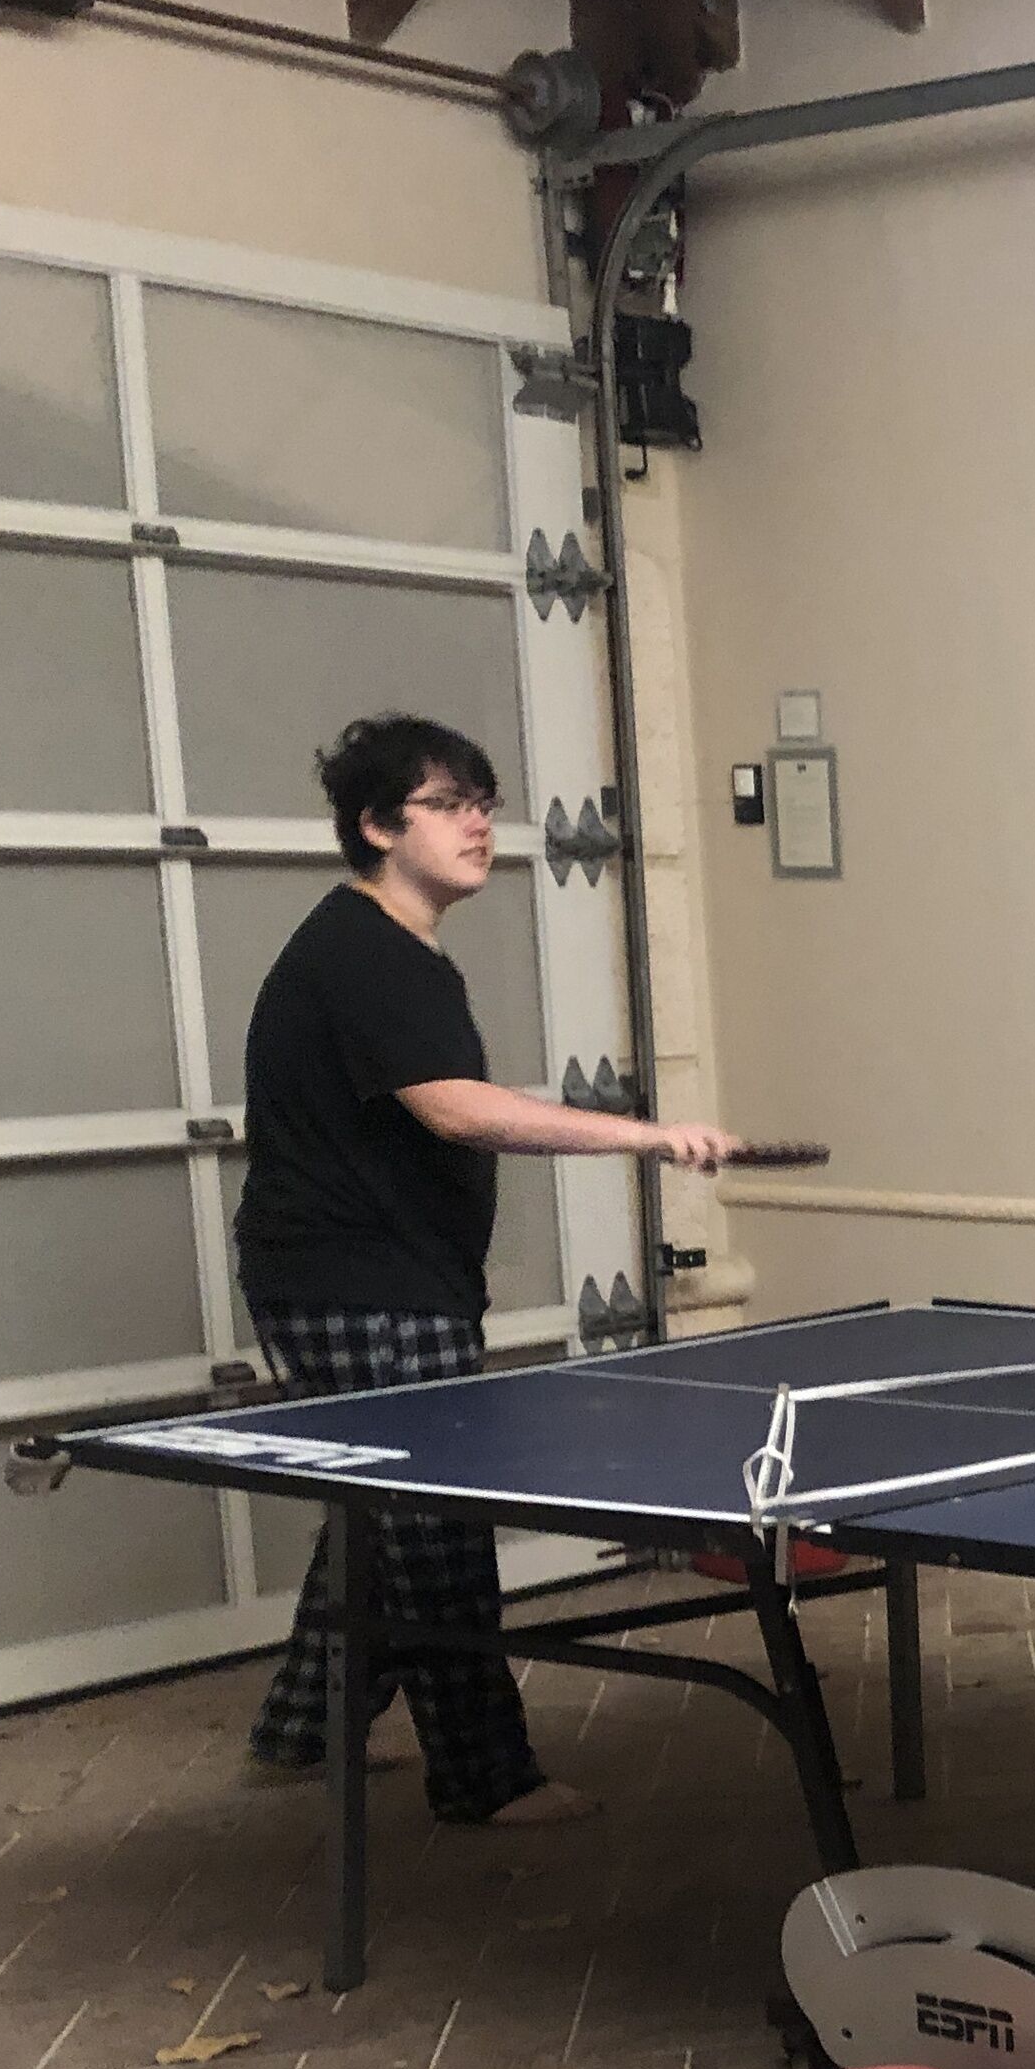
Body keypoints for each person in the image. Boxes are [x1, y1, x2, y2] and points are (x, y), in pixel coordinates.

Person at [235, 714, 741, 1826]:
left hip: (369, 1277)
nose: (478, 825)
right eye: (448, 804)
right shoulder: (364, 953)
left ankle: (303, 1730)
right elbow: (459, 1111)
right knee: (436, 1526)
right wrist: (648, 1136)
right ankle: (486, 1778)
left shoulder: (389, 949)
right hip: (359, 1284)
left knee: (380, 1509)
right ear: (377, 825)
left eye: (483, 803)